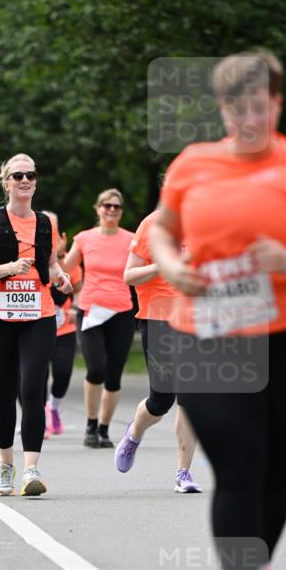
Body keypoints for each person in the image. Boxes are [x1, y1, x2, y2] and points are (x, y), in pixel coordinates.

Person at [150, 50, 286, 570]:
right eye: (237, 106)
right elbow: (161, 225)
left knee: (273, 470)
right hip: (206, 334)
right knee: (236, 465)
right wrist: (172, 263)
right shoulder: (193, 165)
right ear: (222, 108)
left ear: (278, 104)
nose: (249, 117)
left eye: (261, 104)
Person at [0, 153, 72, 496]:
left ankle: (31, 470)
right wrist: (10, 267)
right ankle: (5, 465)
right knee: (6, 390)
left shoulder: (46, 223)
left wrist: (61, 277)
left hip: (38, 315)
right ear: (6, 182)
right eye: (18, 176)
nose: (25, 180)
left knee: (33, 388)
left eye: (30, 175)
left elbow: (51, 263)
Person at [115, 209, 201, 492]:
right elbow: (129, 275)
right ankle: (135, 433)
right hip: (158, 317)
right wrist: (163, 266)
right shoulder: (152, 225)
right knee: (162, 400)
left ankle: (183, 473)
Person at [63, 189, 135, 447]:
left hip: (122, 311)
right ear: (98, 208)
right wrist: (58, 256)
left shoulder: (131, 239)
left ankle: (103, 429)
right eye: (107, 205)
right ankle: (91, 424)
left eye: (117, 206)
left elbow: (143, 268)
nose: (112, 210)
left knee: (114, 374)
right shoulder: (83, 239)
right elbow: (65, 270)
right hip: (91, 310)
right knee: (96, 368)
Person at [41, 211, 83, 435]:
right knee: (39, 374)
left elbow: (78, 290)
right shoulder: (32, 256)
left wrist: (76, 308)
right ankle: (40, 419)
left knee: (63, 372)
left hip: (64, 326)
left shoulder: (69, 262)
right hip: (37, 324)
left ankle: (54, 408)